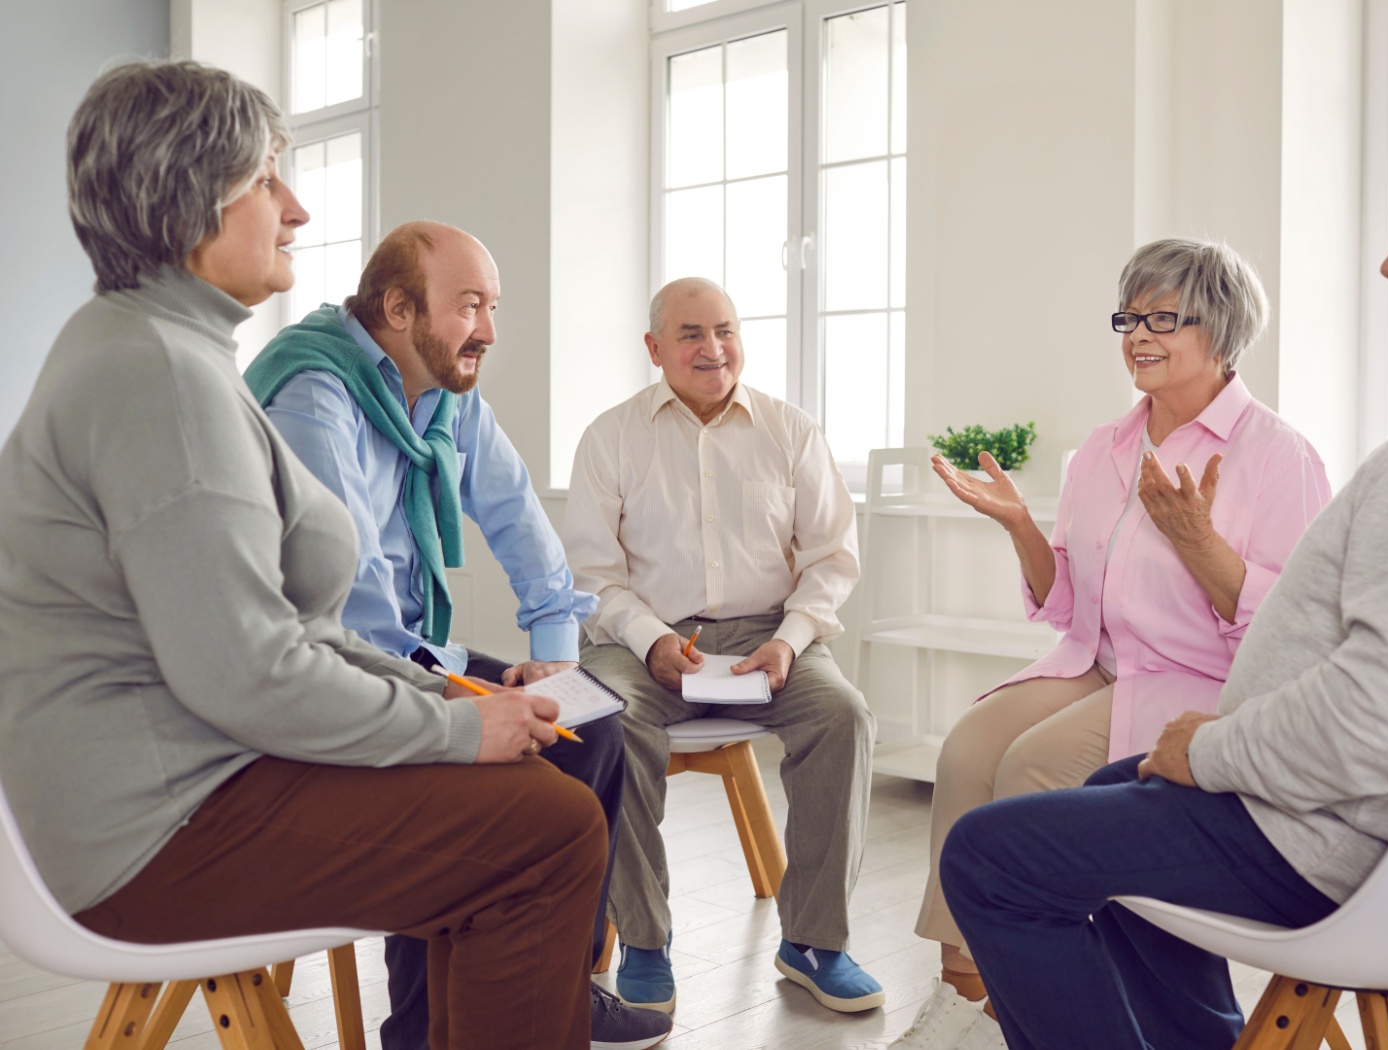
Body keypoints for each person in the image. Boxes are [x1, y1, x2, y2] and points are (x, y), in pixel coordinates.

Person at [938, 123, 1388, 1050]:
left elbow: (1377, 720)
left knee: (993, 856)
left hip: (1331, 834)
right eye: (1130, 317)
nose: (1386, 264)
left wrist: (1212, 751)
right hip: (1383, 822)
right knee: (1113, 784)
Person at [0, 60, 609, 1049]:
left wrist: (452, 704)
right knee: (543, 834)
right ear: (188, 197)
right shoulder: (160, 376)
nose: (297, 208)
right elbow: (248, 670)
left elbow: (287, 634)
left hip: (174, 784)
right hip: (152, 830)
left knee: (529, 798)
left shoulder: (166, 349)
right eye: (265, 180)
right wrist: (458, 729)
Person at [888, 237, 1331, 1050]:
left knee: (1030, 767)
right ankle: (967, 993)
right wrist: (1021, 524)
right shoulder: (1106, 446)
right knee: (966, 750)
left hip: (1200, 684)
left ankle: (1028, 984)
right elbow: (1066, 601)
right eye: (1130, 315)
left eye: (1165, 316)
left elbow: (1291, 633)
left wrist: (1199, 542)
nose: (1139, 334)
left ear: (1223, 331)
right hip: (1100, 662)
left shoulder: (1277, 457)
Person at [245, 222, 666, 1050]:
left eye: (493, 306)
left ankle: (562, 989)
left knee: (590, 726)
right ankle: (420, 1029)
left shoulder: (441, 395)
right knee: (468, 775)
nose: (491, 331)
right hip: (324, 671)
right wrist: (463, 706)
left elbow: (523, 529)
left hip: (408, 652)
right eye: (471, 305)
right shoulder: (313, 396)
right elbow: (348, 605)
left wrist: (553, 662)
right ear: (399, 309)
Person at [562, 277, 882, 1015]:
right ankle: (645, 939)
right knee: (608, 723)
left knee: (844, 716)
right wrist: (651, 642)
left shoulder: (790, 429)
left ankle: (813, 942)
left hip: (769, 635)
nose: (713, 349)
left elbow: (832, 559)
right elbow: (591, 576)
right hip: (638, 636)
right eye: (690, 334)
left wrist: (791, 641)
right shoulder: (610, 436)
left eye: (726, 330)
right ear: (653, 349)